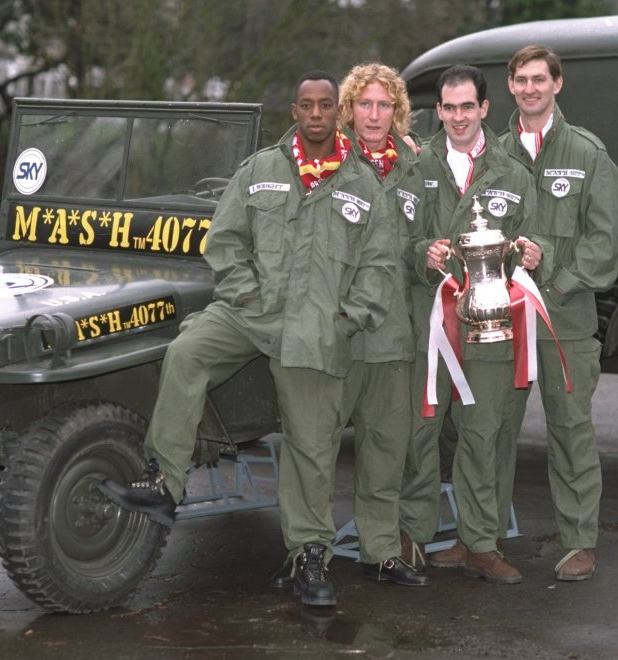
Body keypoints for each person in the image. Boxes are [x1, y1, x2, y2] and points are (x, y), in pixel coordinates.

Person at [99, 70, 395, 608]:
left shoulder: (364, 187)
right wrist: (245, 293)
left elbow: (379, 267)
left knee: (311, 445)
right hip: (251, 313)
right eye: (305, 104)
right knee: (186, 352)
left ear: (338, 112)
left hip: (316, 330)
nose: (315, 114)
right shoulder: (260, 170)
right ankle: (164, 481)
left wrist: (346, 320)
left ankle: (309, 555)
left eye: (325, 105)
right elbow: (226, 239)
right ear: (294, 112)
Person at [268, 62, 430, 589]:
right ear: (347, 110)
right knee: (314, 449)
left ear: (397, 111)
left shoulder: (413, 168)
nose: (375, 114)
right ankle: (308, 552)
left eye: (385, 105)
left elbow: (416, 245)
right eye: (365, 104)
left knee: (386, 447)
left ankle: (379, 550)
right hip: (333, 333)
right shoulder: (320, 160)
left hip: (390, 334)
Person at [398, 64, 550, 585]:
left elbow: (532, 238)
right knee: (422, 430)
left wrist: (534, 252)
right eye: (449, 107)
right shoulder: (416, 166)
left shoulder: (512, 172)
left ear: (485, 109)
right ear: (437, 111)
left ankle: (478, 543)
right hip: (430, 318)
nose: (458, 117)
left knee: (483, 435)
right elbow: (400, 239)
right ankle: (411, 538)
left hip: (490, 326)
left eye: (468, 106)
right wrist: (425, 252)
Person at [499, 44, 618, 581]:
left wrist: (555, 274)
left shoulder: (588, 153)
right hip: (499, 318)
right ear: (509, 86)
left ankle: (579, 541)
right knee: (489, 430)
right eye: (520, 79)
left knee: (571, 429)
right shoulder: (493, 154)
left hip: (565, 319)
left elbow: (608, 240)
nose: (530, 88)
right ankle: (478, 537)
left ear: (557, 84)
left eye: (539, 79)